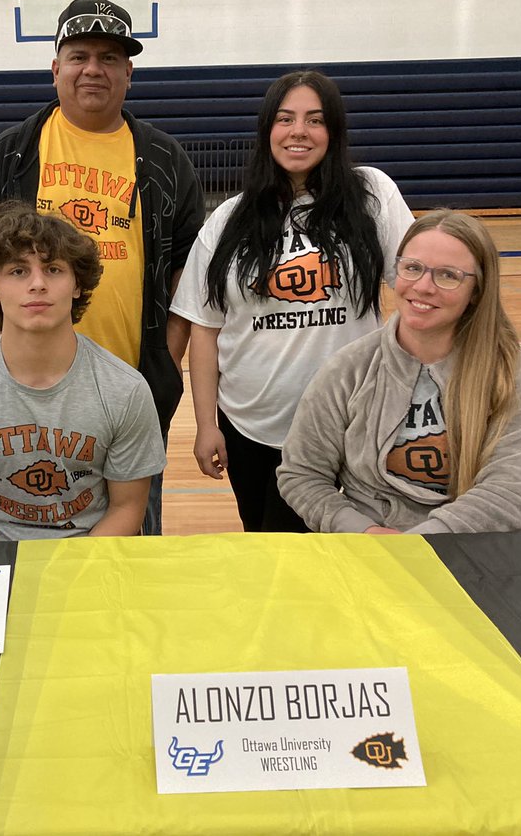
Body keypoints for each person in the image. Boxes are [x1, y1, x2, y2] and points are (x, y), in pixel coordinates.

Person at [0, 0, 205, 535]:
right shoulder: (14, 153)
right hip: (22, 389)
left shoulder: (163, 158)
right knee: (22, 520)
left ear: (128, 73)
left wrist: (167, 356)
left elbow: (191, 271)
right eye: (79, 55)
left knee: (132, 534)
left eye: (109, 57)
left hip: (130, 388)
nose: (94, 69)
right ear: (56, 68)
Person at [169, 71, 414, 532]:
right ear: (267, 132)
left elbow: (415, 286)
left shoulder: (371, 195)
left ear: (333, 132)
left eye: (314, 120)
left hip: (342, 425)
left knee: (316, 549)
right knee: (264, 539)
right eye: (285, 119)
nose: (298, 130)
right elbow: (204, 329)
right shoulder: (228, 219)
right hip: (248, 424)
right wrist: (206, 424)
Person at [277, 210, 521, 534]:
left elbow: (509, 494)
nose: (423, 287)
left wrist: (415, 546)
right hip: (374, 551)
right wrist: (363, 532)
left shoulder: (513, 373)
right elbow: (301, 475)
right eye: (413, 268)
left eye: (448, 275)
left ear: (477, 290)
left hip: (488, 553)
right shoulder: (348, 369)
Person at [0, 202, 166, 541]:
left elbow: (126, 510)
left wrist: (70, 579)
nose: (37, 284)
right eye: (18, 271)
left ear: (77, 285)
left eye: (53, 269)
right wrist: (4, 576)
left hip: (86, 562)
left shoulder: (125, 390)